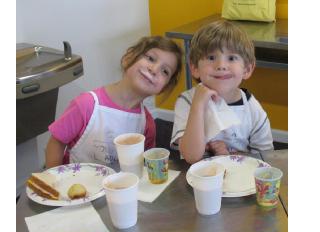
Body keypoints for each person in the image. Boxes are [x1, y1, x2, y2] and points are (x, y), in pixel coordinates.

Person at [46, 36, 182, 168]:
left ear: (164, 87)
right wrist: (53, 184)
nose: (154, 70)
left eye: (165, 71)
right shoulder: (86, 104)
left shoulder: (147, 124)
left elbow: (145, 166)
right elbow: (56, 144)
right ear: (129, 57)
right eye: (151, 58)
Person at [170, 20, 273, 164]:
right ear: (194, 68)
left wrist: (230, 155)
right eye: (211, 58)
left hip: (240, 177)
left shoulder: (252, 108)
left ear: (247, 69)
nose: (221, 65)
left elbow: (266, 157)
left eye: (231, 58)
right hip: (199, 179)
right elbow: (191, 156)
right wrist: (198, 105)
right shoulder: (187, 101)